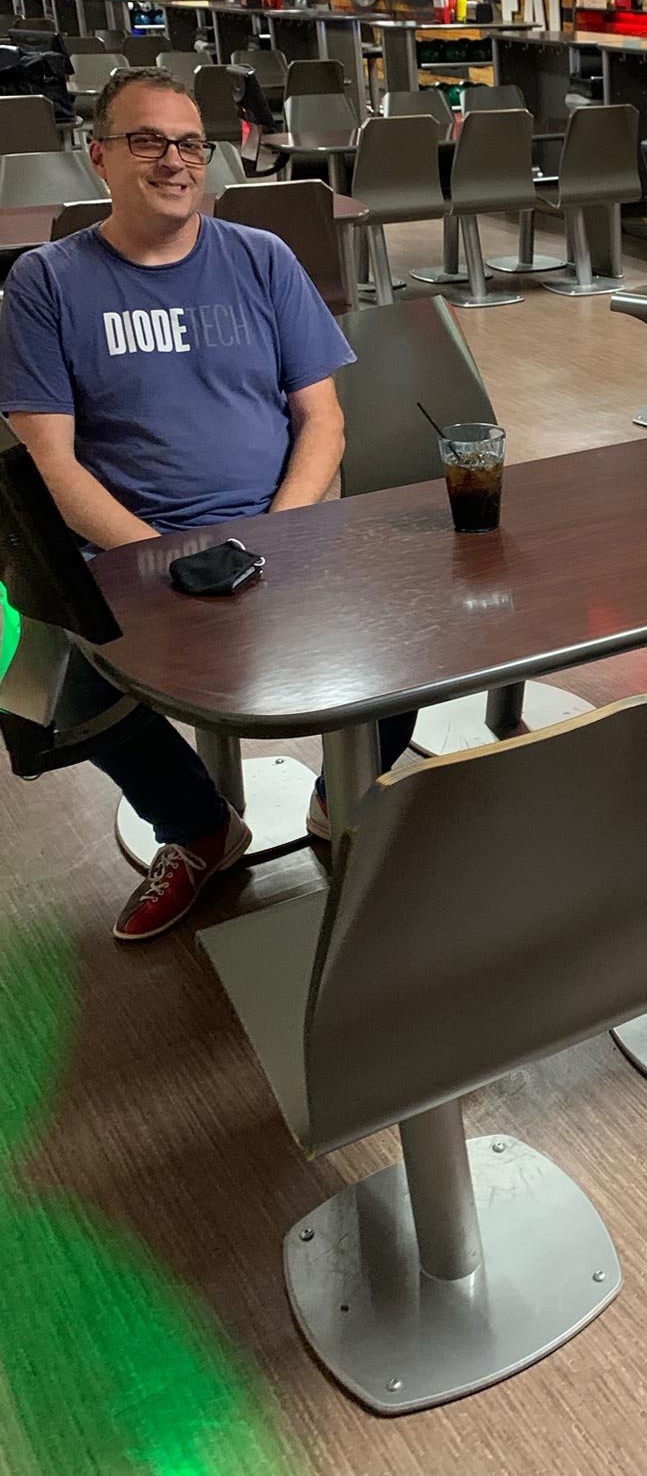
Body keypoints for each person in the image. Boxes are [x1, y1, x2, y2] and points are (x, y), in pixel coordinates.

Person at [0, 68, 415, 944]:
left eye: (189, 143)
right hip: (128, 550)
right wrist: (164, 557)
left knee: (409, 640)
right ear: (99, 155)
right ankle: (197, 828)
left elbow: (323, 420)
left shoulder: (261, 259)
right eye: (147, 140)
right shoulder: (46, 283)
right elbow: (50, 464)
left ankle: (336, 798)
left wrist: (282, 534)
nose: (174, 160)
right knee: (73, 687)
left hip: (280, 525)